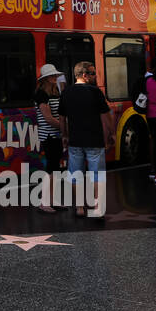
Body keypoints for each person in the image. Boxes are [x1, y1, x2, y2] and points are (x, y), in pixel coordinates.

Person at [59, 61, 113, 216]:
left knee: (76, 174)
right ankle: (97, 207)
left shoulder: (67, 92)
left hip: (75, 140)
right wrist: (112, 133)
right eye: (93, 73)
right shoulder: (95, 92)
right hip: (94, 140)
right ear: (84, 75)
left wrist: (64, 135)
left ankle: (80, 208)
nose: (96, 76)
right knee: (97, 174)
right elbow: (106, 116)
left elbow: (62, 118)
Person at [33, 64, 66, 212]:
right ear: (45, 78)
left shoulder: (55, 91)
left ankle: (52, 200)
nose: (55, 77)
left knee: (55, 169)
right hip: (48, 135)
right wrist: (65, 128)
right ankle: (44, 202)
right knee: (51, 168)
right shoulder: (41, 94)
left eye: (55, 75)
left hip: (56, 135)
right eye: (52, 76)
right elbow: (47, 118)